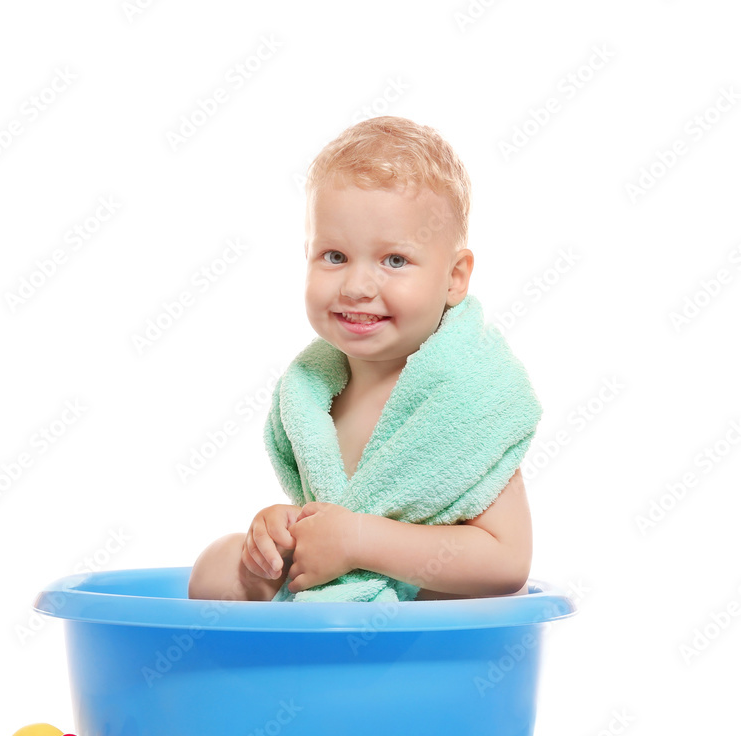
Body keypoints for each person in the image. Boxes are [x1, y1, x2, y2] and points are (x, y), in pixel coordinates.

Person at [189, 116, 532, 602]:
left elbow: (506, 560)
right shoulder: (313, 395)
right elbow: (327, 522)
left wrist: (360, 543)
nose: (356, 286)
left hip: (424, 630)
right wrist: (281, 536)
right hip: (337, 612)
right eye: (334, 256)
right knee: (216, 569)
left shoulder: (462, 402)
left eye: (394, 260)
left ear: (454, 277)